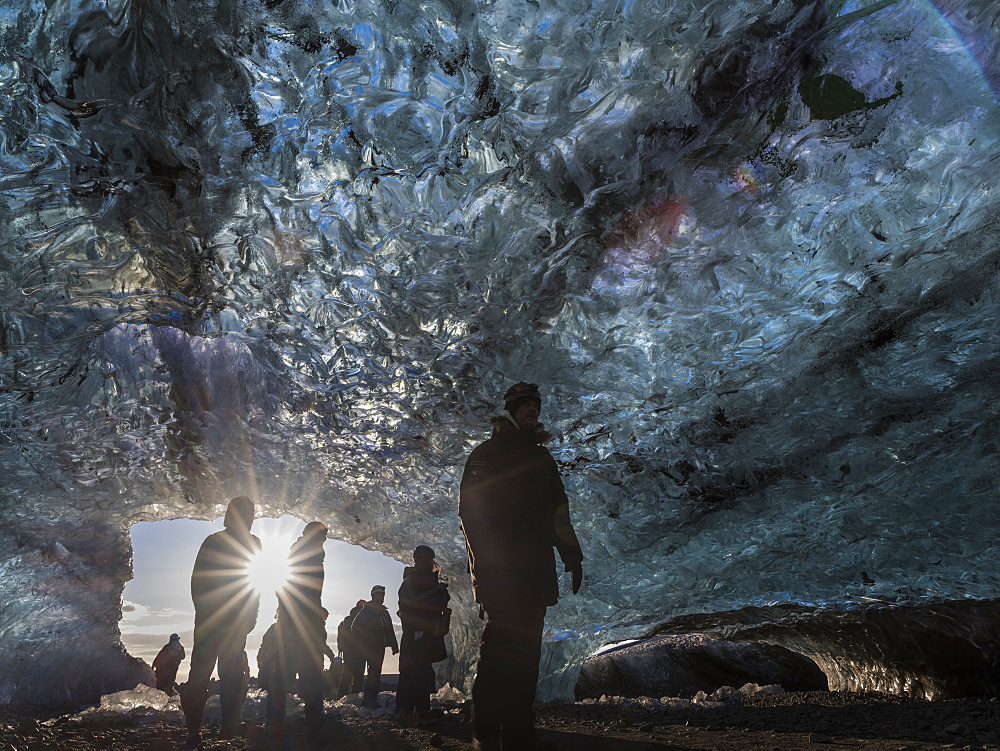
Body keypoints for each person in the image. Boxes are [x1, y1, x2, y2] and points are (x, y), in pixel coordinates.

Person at [459, 382, 584, 751]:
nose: (533, 409)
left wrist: (572, 554)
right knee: (500, 651)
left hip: (534, 571)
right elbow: (471, 512)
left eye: (536, 405)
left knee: (527, 652)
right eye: (525, 404)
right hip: (501, 571)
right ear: (511, 410)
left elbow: (557, 510)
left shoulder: (541, 458)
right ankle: (486, 729)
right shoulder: (488, 453)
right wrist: (486, 566)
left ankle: (518, 730)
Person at [181, 496, 262, 746]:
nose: (247, 520)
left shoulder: (253, 543)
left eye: (249, 515)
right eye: (243, 514)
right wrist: (206, 613)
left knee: (230, 677)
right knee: (202, 676)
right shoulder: (215, 541)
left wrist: (251, 616)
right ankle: (196, 730)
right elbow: (198, 581)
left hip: (232, 623)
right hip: (215, 621)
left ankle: (225, 728)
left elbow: (255, 582)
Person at [267, 521, 328, 741]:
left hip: (296, 623)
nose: (324, 541)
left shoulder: (305, 554)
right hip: (298, 626)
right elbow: (287, 587)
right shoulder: (304, 554)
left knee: (291, 672)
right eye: (321, 536)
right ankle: (309, 719)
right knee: (298, 671)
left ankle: (283, 719)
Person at [395, 545, 450, 727]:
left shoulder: (428, 581)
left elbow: (437, 605)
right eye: (419, 558)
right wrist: (434, 593)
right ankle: (418, 712)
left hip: (427, 631)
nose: (423, 561)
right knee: (421, 671)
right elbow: (407, 605)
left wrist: (442, 595)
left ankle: (409, 711)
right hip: (417, 632)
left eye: (426, 559)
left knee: (422, 671)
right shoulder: (411, 581)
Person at [351, 584, 399, 708]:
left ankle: (371, 699)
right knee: (373, 673)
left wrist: (394, 645)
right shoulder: (367, 610)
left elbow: (390, 629)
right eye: (378, 594)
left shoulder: (384, 612)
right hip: (369, 647)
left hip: (380, 647)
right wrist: (368, 638)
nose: (381, 597)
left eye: (382, 595)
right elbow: (355, 627)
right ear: (373, 596)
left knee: (375, 673)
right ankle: (369, 700)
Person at [335, 599, 367, 698]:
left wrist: (341, 648)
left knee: (346, 676)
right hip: (360, 652)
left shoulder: (345, 620)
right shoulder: (364, 619)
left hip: (348, 652)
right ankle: (354, 698)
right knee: (358, 677)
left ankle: (340, 697)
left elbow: (340, 635)